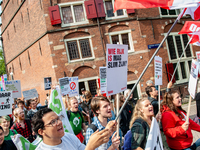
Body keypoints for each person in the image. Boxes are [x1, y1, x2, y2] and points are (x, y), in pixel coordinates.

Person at [32, 107, 116, 150]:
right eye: (52, 122)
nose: (59, 122)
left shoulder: (69, 137)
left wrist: (106, 136)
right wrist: (90, 147)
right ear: (41, 131)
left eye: (58, 118)